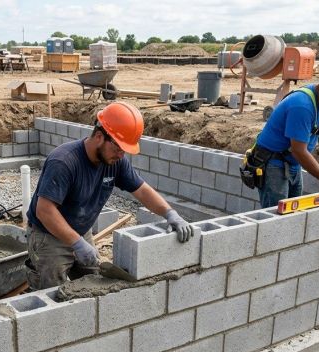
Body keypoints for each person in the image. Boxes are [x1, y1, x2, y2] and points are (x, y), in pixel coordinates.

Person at [25, 101, 193, 290]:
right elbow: (45, 211)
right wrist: (77, 243)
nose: (121, 155)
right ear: (99, 137)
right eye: (118, 148)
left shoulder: (115, 161)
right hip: (48, 235)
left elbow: (142, 190)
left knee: (94, 285)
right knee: (52, 294)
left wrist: (170, 214)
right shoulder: (64, 162)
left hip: (80, 231)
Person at [245, 61, 319, 208]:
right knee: (275, 218)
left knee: (294, 212)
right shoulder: (302, 106)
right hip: (273, 165)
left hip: (293, 163)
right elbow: (299, 150)